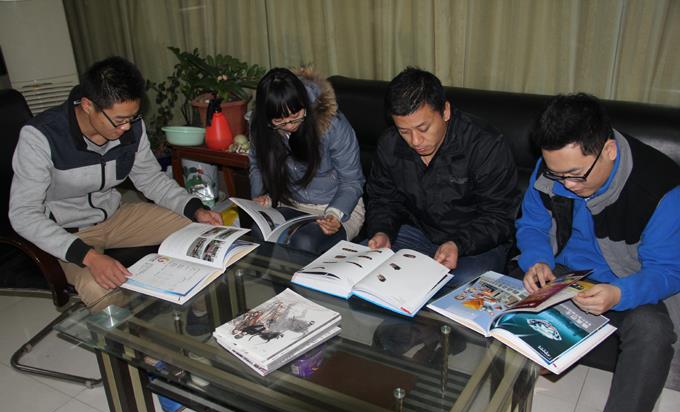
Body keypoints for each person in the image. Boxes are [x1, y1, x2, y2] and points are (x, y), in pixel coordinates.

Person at [515, 93, 679, 412]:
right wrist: (537, 260)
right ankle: (542, 358)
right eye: (557, 174)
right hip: (564, 272)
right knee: (503, 294)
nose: (566, 184)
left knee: (652, 331)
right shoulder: (552, 169)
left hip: (627, 280)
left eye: (575, 175)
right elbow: (531, 225)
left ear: (609, 150)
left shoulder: (660, 187)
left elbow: (668, 271)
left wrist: (620, 294)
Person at [9, 56, 222, 310]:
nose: (126, 127)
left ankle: (200, 317)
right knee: (99, 288)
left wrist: (195, 209)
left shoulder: (131, 126)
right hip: (68, 232)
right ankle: (132, 336)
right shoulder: (42, 136)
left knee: (204, 236)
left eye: (132, 117)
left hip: (116, 216)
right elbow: (23, 213)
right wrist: (88, 256)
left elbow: (151, 179)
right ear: (88, 105)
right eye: (119, 120)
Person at [365, 67, 519, 285]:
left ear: (445, 111)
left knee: (465, 282)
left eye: (423, 128)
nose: (415, 141)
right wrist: (382, 231)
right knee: (366, 264)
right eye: (404, 131)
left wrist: (458, 244)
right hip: (418, 233)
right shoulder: (390, 144)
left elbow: (499, 216)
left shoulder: (485, 145)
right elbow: (383, 199)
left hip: (474, 242)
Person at [248, 67, 365, 255]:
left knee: (305, 242)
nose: (290, 126)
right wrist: (260, 195)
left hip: (336, 206)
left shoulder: (331, 124)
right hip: (290, 203)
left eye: (295, 117)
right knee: (259, 233)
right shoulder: (261, 126)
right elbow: (257, 165)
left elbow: (352, 180)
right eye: (280, 122)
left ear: (304, 104)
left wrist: (334, 214)